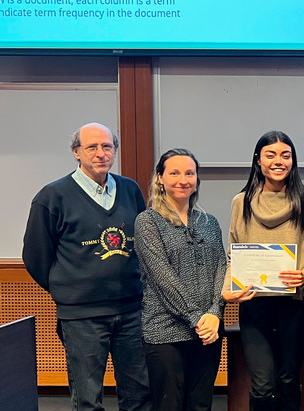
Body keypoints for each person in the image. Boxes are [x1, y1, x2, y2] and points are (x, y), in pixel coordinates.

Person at [22, 122, 152, 411]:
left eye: (107, 146)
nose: (100, 153)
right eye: (91, 147)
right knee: (88, 400)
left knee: (139, 396)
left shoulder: (130, 190)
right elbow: (35, 257)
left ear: (115, 151)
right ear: (76, 152)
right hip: (82, 316)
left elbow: (144, 244)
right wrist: (71, 287)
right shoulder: (52, 197)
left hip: (132, 310)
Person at [222, 131, 304, 411]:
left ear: (293, 161)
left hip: (293, 305)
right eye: (271, 155)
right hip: (254, 305)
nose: (279, 161)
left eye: (285, 155)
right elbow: (234, 251)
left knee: (288, 381)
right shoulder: (240, 202)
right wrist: (227, 289)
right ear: (258, 160)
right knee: (262, 387)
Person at [134, 149, 226, 411]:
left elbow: (221, 267)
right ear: (160, 178)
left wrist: (214, 312)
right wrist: (198, 317)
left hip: (208, 332)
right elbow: (163, 278)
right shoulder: (148, 221)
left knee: (200, 405)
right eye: (174, 173)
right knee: (169, 405)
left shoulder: (209, 222)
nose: (182, 179)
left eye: (189, 173)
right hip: (165, 332)